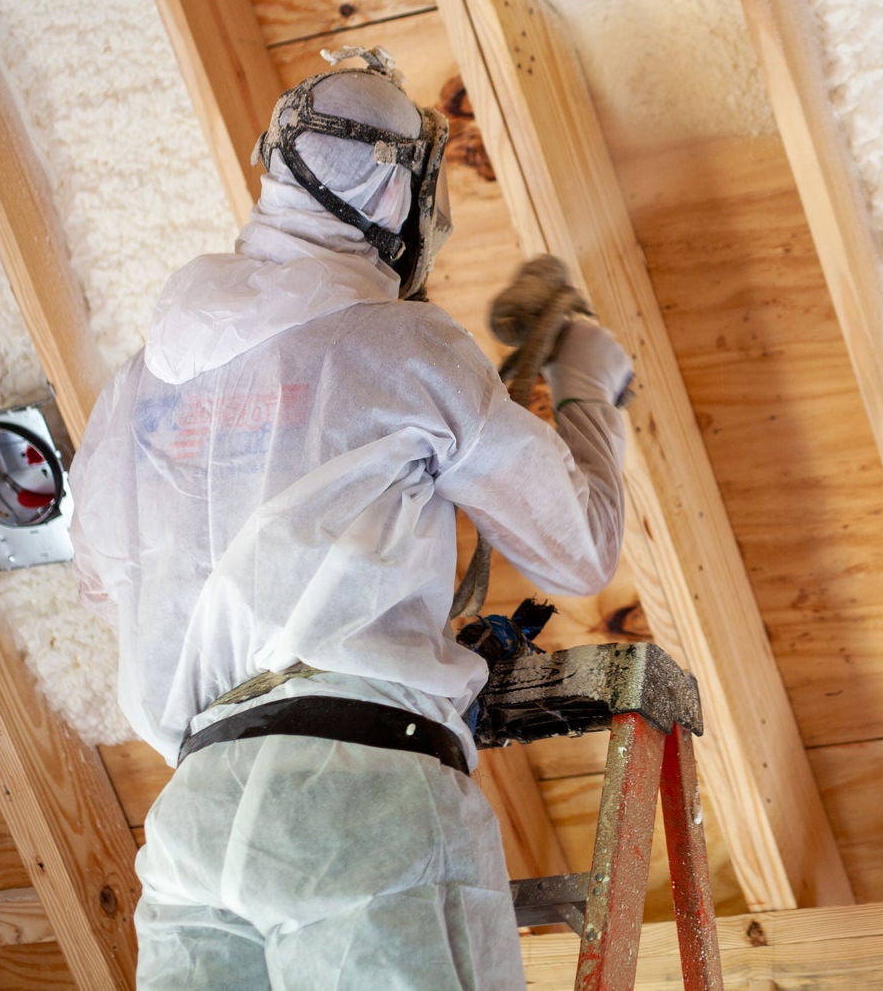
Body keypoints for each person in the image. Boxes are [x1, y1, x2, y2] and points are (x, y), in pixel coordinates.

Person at [69, 48, 632, 990]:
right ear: (392, 189)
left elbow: (109, 585)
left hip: (194, 826)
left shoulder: (132, 391)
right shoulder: (406, 347)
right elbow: (579, 547)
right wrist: (588, 384)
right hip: (361, 802)